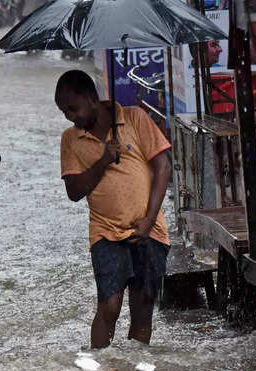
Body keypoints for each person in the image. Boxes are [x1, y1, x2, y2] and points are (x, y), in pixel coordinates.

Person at [54, 70, 171, 348]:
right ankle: (99, 366)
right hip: (105, 232)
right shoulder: (71, 139)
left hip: (148, 229)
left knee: (143, 306)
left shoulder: (134, 118)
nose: (70, 116)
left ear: (93, 98)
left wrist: (149, 219)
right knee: (110, 305)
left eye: (73, 108)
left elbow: (163, 166)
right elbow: (73, 191)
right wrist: (104, 160)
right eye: (63, 111)